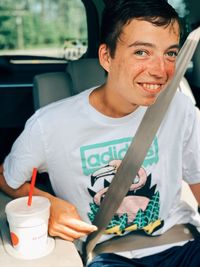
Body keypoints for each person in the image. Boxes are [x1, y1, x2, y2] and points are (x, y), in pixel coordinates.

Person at [1, 0, 200, 266]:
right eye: (142, 52)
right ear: (107, 57)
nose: (161, 70)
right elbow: (7, 177)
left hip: (181, 241)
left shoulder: (178, 107)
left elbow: (197, 178)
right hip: (109, 254)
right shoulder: (50, 125)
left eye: (170, 53)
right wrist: (48, 204)